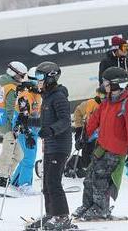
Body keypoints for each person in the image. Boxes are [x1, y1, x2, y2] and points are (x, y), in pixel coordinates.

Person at [73, 67, 128, 220]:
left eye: (107, 83)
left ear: (117, 83)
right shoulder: (108, 100)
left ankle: (100, 208)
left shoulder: (127, 102)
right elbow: (95, 118)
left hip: (116, 149)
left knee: (100, 179)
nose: (104, 86)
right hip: (101, 146)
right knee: (89, 177)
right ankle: (88, 204)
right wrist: (84, 136)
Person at [26, 61, 75, 230]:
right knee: (46, 182)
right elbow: (44, 121)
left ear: (50, 78)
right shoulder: (47, 97)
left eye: (40, 77)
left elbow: (65, 121)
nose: (37, 81)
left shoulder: (59, 97)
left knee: (54, 182)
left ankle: (62, 217)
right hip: (50, 146)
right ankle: (51, 214)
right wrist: (27, 121)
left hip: (60, 146)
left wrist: (51, 131)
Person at [0, 61, 27, 187]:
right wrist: (16, 125)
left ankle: (5, 174)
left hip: (7, 123)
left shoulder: (7, 85)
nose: (22, 79)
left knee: (19, 154)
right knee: (7, 153)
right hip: (9, 125)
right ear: (13, 73)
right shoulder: (11, 88)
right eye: (21, 76)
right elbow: (11, 109)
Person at [10, 66, 42, 194]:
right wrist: (27, 134)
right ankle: (25, 185)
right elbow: (22, 117)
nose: (40, 84)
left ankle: (15, 182)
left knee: (27, 157)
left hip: (33, 127)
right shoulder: (25, 95)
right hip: (24, 129)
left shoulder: (37, 94)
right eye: (38, 81)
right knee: (29, 157)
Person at [70, 86, 106, 177]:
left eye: (105, 96)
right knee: (87, 159)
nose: (103, 99)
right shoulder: (91, 103)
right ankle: (74, 163)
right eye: (101, 96)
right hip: (89, 137)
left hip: (104, 138)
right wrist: (79, 129)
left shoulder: (111, 105)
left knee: (101, 157)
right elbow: (78, 112)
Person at [99, 35, 128, 103]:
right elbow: (102, 81)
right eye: (124, 48)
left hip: (127, 97)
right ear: (116, 48)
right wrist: (108, 96)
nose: (126, 50)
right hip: (113, 96)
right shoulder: (105, 62)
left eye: (127, 47)